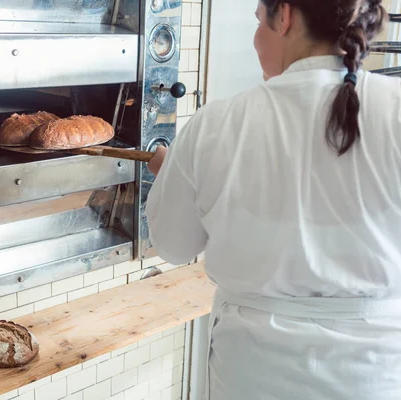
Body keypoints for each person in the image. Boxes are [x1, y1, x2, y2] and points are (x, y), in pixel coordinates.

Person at [146, 1, 401, 399]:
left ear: (283, 16)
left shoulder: (217, 123)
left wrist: (174, 171)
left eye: (257, 23)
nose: (255, 40)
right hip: (375, 374)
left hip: (251, 373)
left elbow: (173, 246)